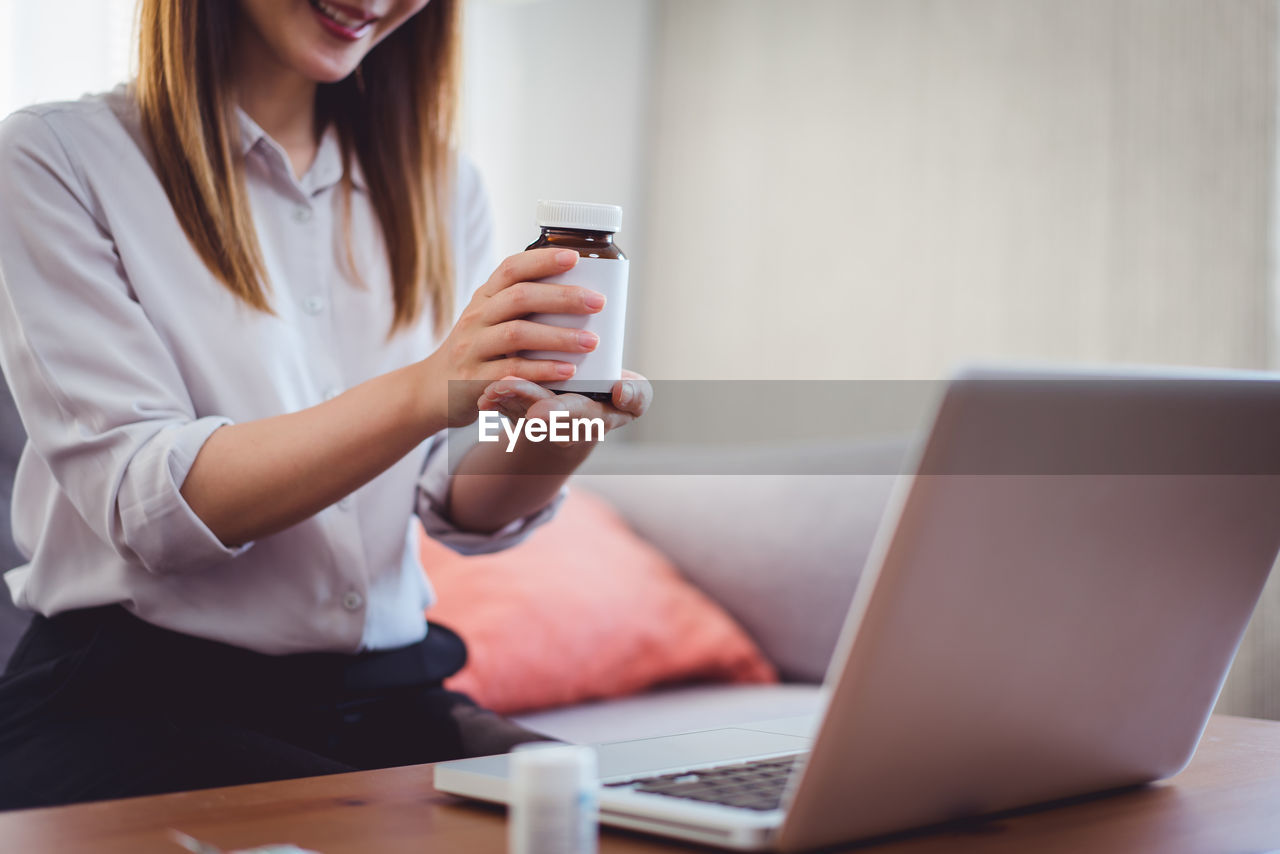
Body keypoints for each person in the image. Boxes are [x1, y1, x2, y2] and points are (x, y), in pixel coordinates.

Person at [0, 0, 649, 810]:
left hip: (389, 694)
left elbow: (460, 503)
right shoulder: (57, 157)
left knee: (624, 816)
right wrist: (428, 387)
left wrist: (558, 434)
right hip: (137, 701)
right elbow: (152, 507)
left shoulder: (445, 187)